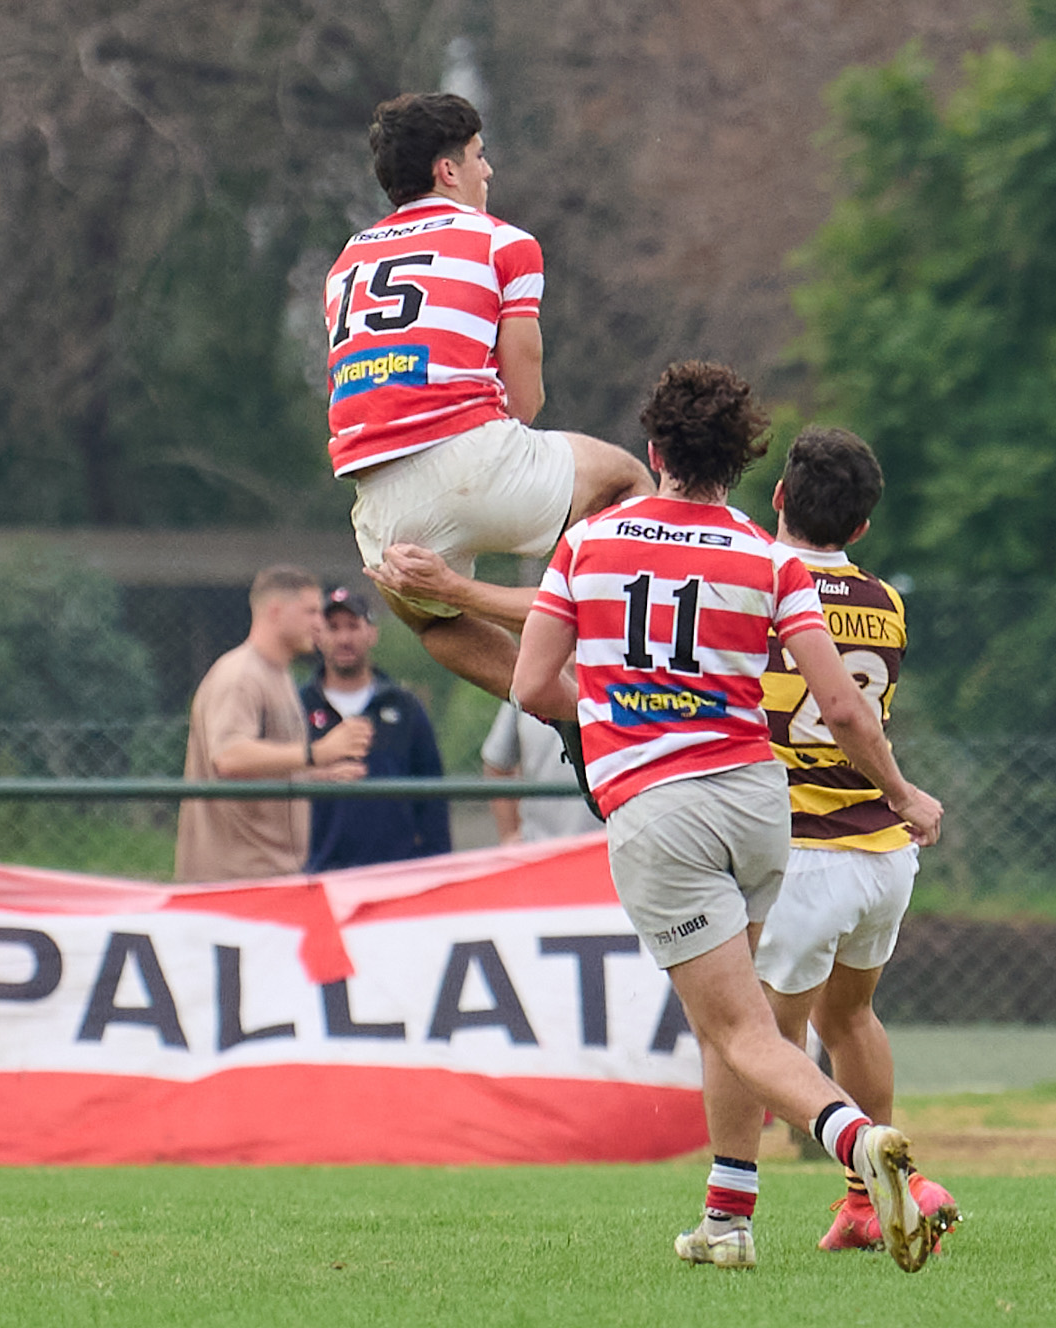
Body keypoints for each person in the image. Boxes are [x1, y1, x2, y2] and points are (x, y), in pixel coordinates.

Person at [511, 361, 947, 1273]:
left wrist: (616, 713)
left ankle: (859, 1145)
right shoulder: (771, 557)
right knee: (736, 1017)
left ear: (653, 450)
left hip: (663, 807)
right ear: (745, 467)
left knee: (743, 1030)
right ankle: (728, 1219)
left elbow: (531, 685)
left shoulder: (590, 542)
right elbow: (844, 706)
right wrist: (903, 795)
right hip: (758, 804)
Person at [324, 91, 653, 704]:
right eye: (479, 155)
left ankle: (572, 715)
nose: (488, 170)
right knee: (624, 480)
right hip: (474, 461)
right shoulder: (504, 242)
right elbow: (524, 401)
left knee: (432, 621)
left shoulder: (348, 260)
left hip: (381, 503)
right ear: (446, 170)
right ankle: (633, 661)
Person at [734, 425, 959, 1254]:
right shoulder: (886, 604)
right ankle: (865, 1202)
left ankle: (744, 1213)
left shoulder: (753, 587)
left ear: (779, 497)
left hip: (801, 854)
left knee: (762, 1046)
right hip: (880, 854)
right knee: (852, 1018)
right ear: (862, 529)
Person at [174, 566, 366, 883]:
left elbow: (259, 766)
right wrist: (316, 753)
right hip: (234, 882)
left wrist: (313, 776)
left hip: (269, 876)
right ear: (275, 610)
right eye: (310, 611)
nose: (320, 623)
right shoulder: (240, 676)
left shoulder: (279, 674)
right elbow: (230, 757)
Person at [299, 587, 452, 871]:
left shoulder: (405, 707)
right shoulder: (299, 706)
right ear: (319, 636)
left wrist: (438, 866)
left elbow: (432, 795)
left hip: (395, 872)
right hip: (319, 870)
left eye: (353, 626)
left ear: (372, 633)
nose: (344, 638)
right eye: (333, 628)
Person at [481, 701, 603, 843]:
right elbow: (497, 765)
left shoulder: (618, 685)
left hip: (606, 848)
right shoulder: (523, 689)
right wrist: (509, 837)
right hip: (540, 848)